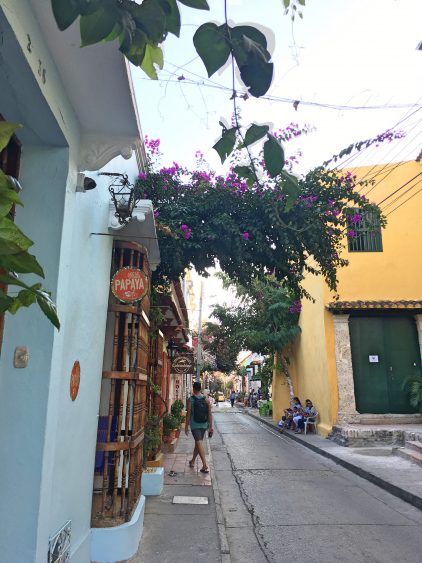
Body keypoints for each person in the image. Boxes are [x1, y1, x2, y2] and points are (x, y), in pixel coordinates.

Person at [185, 381, 213, 473]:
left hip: (195, 425)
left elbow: (188, 414)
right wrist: (210, 427)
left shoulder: (191, 399)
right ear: (200, 389)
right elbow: (209, 414)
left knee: (199, 442)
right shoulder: (206, 399)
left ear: (193, 388)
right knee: (198, 443)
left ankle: (205, 464)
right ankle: (192, 461)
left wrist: (186, 426)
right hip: (204, 424)